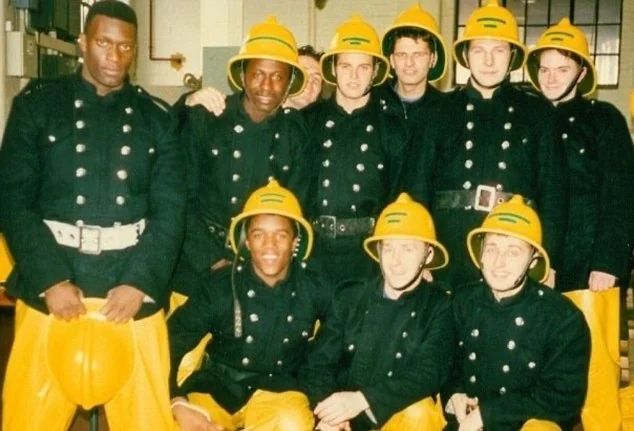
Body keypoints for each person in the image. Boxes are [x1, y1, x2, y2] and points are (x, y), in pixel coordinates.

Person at [0, 2, 185, 430]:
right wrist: (49, 278)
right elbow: (12, 197)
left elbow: (171, 210)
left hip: (131, 288)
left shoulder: (156, 119)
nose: (114, 56)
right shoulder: (37, 106)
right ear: (83, 42)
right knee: (29, 419)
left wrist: (141, 282)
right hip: (55, 288)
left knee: (146, 421)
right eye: (103, 42)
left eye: (125, 47)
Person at [405, 0, 566, 288]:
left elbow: (554, 196)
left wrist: (547, 258)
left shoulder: (538, 114)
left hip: (514, 249)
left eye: (499, 50)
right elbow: (417, 189)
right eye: (479, 50)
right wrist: (418, 257)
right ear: (465, 56)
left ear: (512, 55)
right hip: (449, 251)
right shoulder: (436, 112)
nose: (489, 61)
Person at [168, 180, 333, 431]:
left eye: (281, 235)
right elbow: (167, 344)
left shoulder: (316, 289)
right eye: (259, 235)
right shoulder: (219, 286)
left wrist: (328, 412)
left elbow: (335, 353)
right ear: (245, 240)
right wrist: (177, 402)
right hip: (216, 388)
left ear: (295, 242)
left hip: (280, 391)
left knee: (294, 424)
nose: (270, 245)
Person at [170, 16, 313, 297]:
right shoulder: (208, 118)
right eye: (258, 74)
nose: (267, 86)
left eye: (278, 77)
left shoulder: (296, 133)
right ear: (243, 74)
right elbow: (181, 199)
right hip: (197, 265)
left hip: (262, 270)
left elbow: (297, 209)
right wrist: (212, 259)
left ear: (289, 83)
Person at [300, 193, 453, 431]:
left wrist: (363, 400)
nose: (396, 261)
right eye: (388, 248)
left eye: (408, 249)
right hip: (345, 421)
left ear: (428, 255)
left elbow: (427, 372)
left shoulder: (438, 306)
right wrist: (330, 414)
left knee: (419, 411)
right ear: (377, 251)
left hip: (391, 414)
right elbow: (318, 365)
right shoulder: (350, 298)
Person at [442, 195, 590, 431]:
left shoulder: (562, 317)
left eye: (513, 252)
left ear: (533, 260)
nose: (499, 263)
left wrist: (488, 414)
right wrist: (454, 396)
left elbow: (563, 398)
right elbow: (446, 365)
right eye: (492, 249)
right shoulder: (461, 302)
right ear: (479, 253)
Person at [525, 18, 634, 292]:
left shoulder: (604, 120)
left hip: (586, 261)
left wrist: (608, 262)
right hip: (529, 253)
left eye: (562, 70)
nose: (551, 78)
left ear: (582, 73)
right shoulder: (523, 118)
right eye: (545, 69)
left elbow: (620, 196)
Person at [306, 14, 408, 284]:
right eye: (346, 66)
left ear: (375, 72)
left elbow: (399, 196)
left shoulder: (392, 127)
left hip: (367, 258)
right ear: (333, 69)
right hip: (314, 255)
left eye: (363, 67)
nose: (353, 76)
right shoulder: (309, 121)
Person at [184, 44, 324, 115]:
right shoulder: (236, 110)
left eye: (316, 79)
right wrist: (189, 102)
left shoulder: (321, 126)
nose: (310, 82)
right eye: (304, 74)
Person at [380, 4, 447, 127]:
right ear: (391, 60)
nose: (409, 63)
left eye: (418, 54)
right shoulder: (373, 104)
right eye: (402, 55)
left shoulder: (446, 111)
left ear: (433, 59)